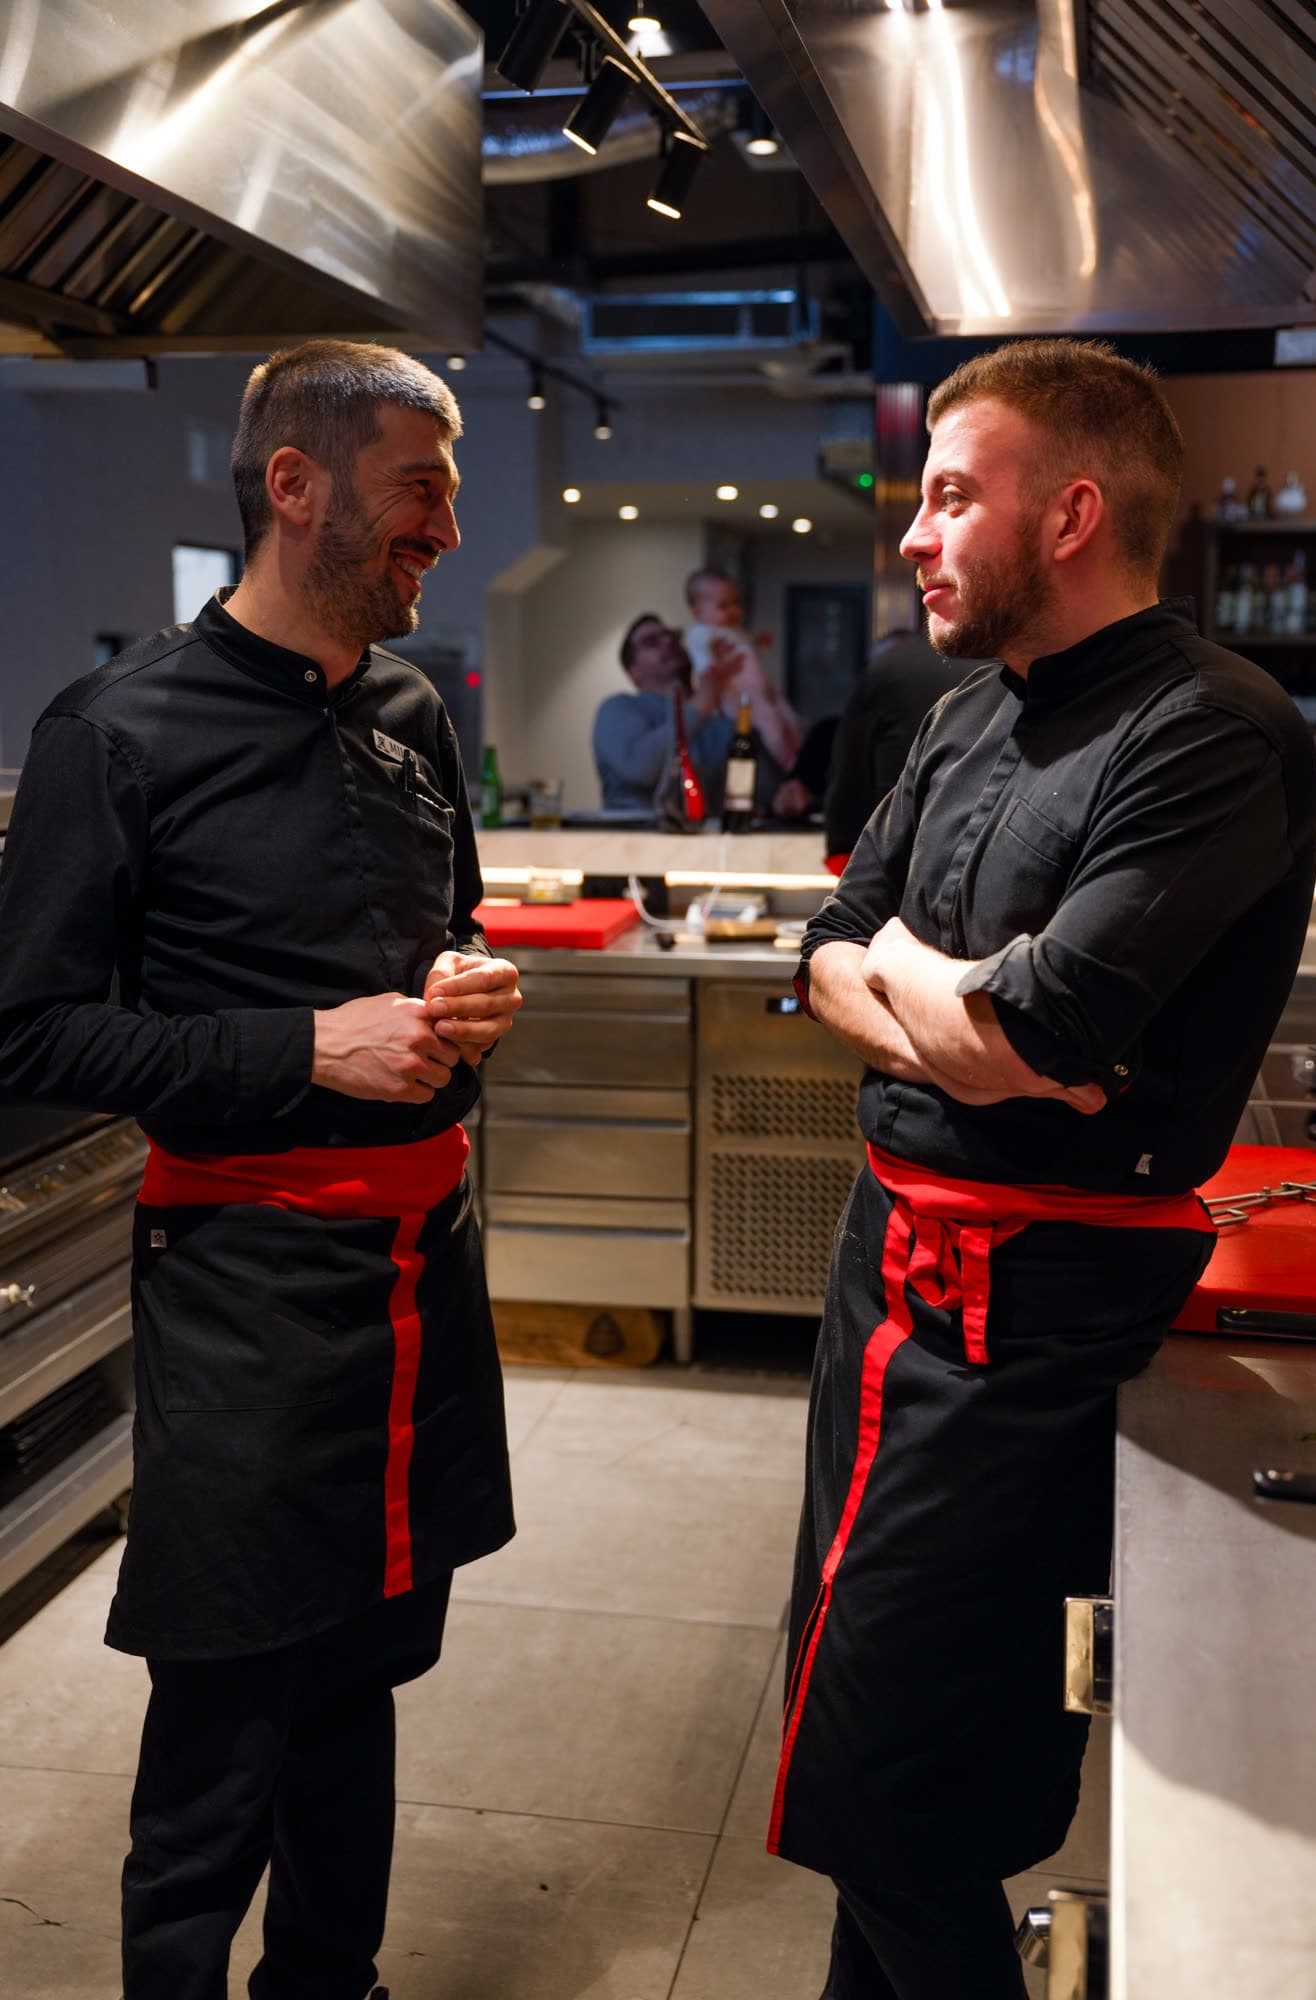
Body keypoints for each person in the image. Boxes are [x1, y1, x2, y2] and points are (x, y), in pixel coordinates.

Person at [771, 338, 1316, 1999]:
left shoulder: (1210, 730)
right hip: (881, 1285)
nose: (913, 536)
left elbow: (1044, 1031)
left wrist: (956, 1016)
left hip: (1034, 1319)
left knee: (902, 1790)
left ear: (1067, 511)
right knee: (855, 1744)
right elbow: (819, 952)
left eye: (948, 496)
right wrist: (970, 1018)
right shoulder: (955, 723)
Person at [0, 339, 525, 2000]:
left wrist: (466, 994)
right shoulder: (115, 730)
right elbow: (29, 1040)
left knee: (360, 1667)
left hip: (417, 1274)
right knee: (228, 1692)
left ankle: (329, 1980)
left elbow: (449, 934)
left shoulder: (409, 707)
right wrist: (303, 1048)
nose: (446, 530)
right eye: (420, 492)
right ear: (295, 486)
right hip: (238, 1286)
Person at [820, 630, 971, 864]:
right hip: (982, 852)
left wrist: (843, 846)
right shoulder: (1012, 667)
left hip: (900, 854)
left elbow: (851, 770)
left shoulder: (888, 668)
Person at [593, 611, 739, 814]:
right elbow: (641, 767)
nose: (669, 642)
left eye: (673, 636)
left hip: (710, 842)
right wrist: (703, 701)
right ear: (633, 672)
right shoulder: (619, 708)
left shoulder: (720, 723)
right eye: (651, 642)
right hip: (636, 841)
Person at [682, 566, 804, 773]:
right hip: (737, 694)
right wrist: (708, 668)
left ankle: (799, 752)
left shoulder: (736, 632)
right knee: (770, 723)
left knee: (789, 718)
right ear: (698, 612)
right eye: (723, 605)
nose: (733, 610)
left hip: (759, 689)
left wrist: (761, 647)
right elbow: (699, 652)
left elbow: (750, 658)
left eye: (736, 603)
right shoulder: (702, 633)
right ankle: (787, 762)